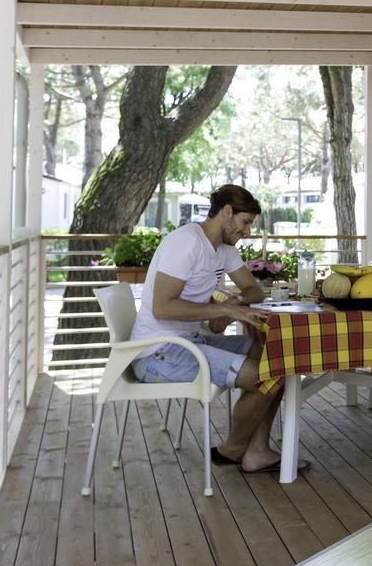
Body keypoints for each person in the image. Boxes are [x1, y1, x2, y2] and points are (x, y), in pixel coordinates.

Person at [129, 184, 305, 473]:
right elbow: (163, 307)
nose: (247, 232)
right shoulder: (186, 242)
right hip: (157, 354)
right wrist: (223, 309)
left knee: (276, 360)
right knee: (263, 376)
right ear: (226, 212)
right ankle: (234, 449)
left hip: (188, 342)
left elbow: (253, 290)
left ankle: (257, 451)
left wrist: (233, 302)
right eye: (245, 222)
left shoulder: (222, 249)